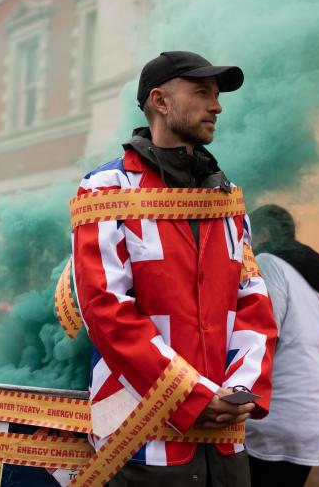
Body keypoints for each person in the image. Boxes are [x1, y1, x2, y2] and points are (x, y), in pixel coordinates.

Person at [72, 51, 277, 486]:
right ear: (161, 102)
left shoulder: (229, 198)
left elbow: (253, 299)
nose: (217, 106)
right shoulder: (105, 188)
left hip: (226, 441)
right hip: (140, 441)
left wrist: (240, 391)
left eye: (217, 96)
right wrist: (196, 396)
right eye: (202, 93)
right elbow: (105, 308)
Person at [245, 205, 319, 487]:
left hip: (277, 422)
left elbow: (261, 336)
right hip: (316, 421)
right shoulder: (312, 289)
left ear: (266, 233)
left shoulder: (268, 262)